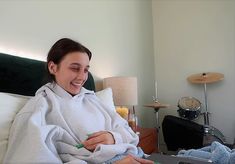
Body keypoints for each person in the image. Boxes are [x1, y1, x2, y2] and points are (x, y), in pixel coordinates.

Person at [3, 38, 154, 164]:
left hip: (135, 156)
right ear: (52, 67)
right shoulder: (40, 107)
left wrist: (113, 137)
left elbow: (130, 135)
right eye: (75, 68)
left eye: (86, 70)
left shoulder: (93, 99)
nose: (82, 77)